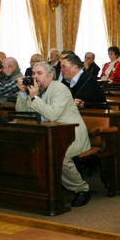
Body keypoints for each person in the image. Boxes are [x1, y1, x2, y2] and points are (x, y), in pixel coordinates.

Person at [15, 61, 92, 207]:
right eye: (33, 73)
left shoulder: (59, 89)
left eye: (39, 73)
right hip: (49, 133)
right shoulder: (35, 91)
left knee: (59, 156)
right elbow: (22, 115)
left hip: (71, 132)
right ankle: (41, 188)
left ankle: (82, 189)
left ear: (50, 76)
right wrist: (22, 93)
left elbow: (53, 115)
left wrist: (34, 97)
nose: (35, 77)